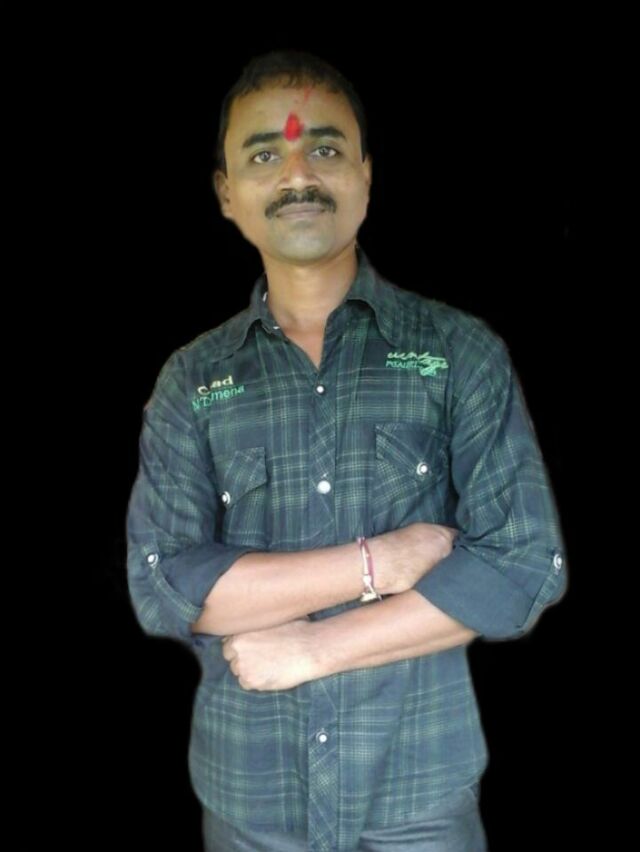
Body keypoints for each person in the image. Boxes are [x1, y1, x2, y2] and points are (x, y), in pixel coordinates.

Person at [126, 48, 569, 852]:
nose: (298, 174)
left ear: (366, 175)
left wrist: (313, 647)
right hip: (250, 796)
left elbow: (523, 566)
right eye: (265, 155)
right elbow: (164, 584)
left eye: (325, 148)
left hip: (419, 793)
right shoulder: (191, 380)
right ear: (226, 192)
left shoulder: (457, 353)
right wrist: (385, 561)